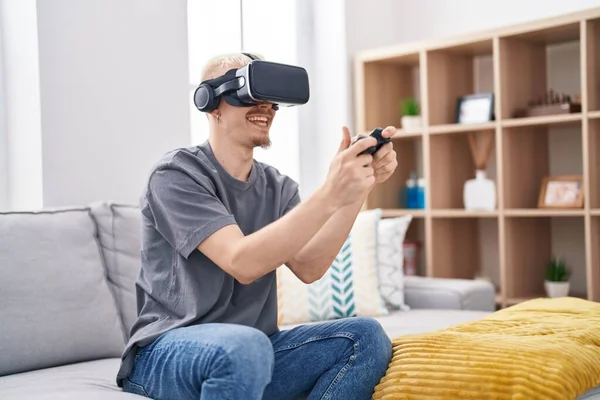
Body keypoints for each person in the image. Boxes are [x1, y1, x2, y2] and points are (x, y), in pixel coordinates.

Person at [117, 52, 399, 400]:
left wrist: (358, 187)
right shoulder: (176, 175)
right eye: (250, 94)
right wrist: (329, 192)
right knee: (242, 346)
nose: (266, 107)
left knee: (365, 337)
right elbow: (242, 263)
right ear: (210, 103)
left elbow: (310, 266)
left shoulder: (277, 187)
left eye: (271, 100)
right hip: (166, 351)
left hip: (254, 348)